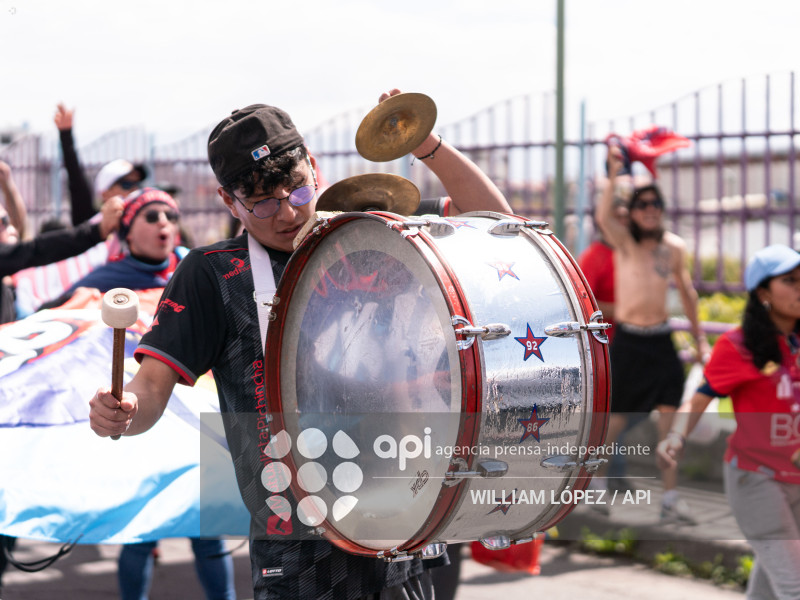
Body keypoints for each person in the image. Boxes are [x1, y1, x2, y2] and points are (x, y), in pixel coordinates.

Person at [88, 88, 512, 600]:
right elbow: (150, 387)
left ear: (313, 167)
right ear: (229, 200)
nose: (286, 214)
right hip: (297, 546)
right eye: (262, 203)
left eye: (298, 192)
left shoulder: (374, 232)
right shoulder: (212, 275)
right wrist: (125, 409)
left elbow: (497, 224)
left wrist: (426, 144)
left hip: (404, 515)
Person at [657, 243, 800, 600]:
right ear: (763, 293)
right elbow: (701, 396)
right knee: (794, 584)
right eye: (791, 281)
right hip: (757, 480)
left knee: (772, 584)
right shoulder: (738, 346)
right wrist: (676, 436)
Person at [594, 145, 711, 522]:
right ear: (633, 211)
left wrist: (700, 339)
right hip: (628, 341)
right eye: (642, 204)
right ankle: (594, 486)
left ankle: (671, 498)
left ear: (661, 209)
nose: (649, 210)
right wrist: (614, 175)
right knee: (615, 420)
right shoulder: (624, 244)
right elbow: (602, 214)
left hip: (661, 341)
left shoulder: (673, 247)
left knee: (669, 419)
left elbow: (688, 294)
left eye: (654, 204)